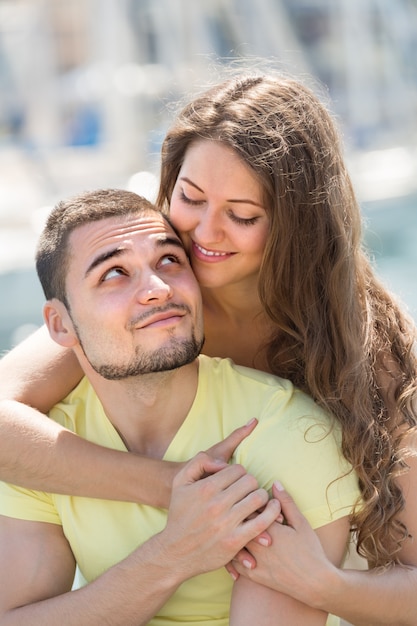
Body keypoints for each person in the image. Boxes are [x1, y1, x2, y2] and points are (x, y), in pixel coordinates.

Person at [0, 70, 417, 624]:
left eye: (242, 216)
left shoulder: (371, 353)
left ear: (299, 226)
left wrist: (326, 586)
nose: (203, 234)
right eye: (190, 199)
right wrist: (173, 486)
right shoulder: (156, 320)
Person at [0, 188, 359, 625]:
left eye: (169, 260)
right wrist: (174, 555)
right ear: (61, 324)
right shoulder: (41, 448)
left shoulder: (286, 432)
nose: (156, 288)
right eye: (114, 273)